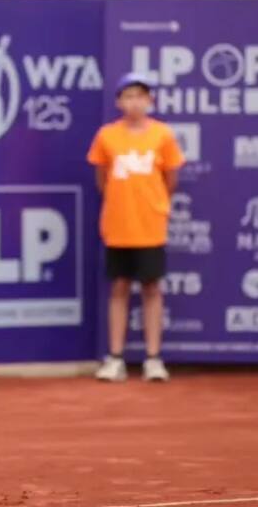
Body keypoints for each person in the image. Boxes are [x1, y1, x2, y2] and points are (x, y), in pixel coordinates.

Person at [87, 72, 185, 383]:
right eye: (128, 96)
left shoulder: (163, 135)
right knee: (118, 288)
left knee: (152, 289)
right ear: (119, 102)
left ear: (150, 100)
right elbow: (102, 179)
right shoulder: (106, 136)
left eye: (140, 96)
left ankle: (153, 359)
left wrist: (153, 205)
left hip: (150, 227)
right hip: (117, 226)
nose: (134, 102)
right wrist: (121, 204)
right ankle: (115, 358)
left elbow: (170, 179)